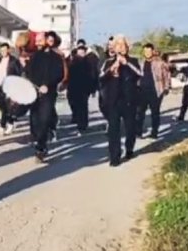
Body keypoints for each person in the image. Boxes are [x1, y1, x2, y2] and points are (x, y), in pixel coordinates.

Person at [100, 34, 142, 166]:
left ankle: (129, 148)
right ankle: (115, 156)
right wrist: (111, 70)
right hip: (113, 101)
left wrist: (126, 64)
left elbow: (140, 75)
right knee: (113, 130)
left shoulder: (134, 61)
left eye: (123, 45)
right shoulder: (108, 62)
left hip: (129, 100)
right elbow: (101, 78)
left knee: (130, 128)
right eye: (118, 45)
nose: (120, 48)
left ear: (127, 48)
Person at [24, 31, 65, 162]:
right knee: (35, 120)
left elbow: (59, 74)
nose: (39, 42)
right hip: (34, 92)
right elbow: (29, 72)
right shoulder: (35, 56)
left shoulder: (56, 57)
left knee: (45, 119)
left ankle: (40, 148)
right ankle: (38, 139)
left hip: (49, 93)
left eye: (42, 40)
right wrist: (35, 84)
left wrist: (47, 84)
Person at [136, 43, 171, 139]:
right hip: (142, 91)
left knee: (155, 113)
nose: (147, 53)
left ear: (153, 51)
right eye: (145, 51)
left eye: (149, 51)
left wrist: (166, 88)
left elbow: (166, 75)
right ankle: (138, 132)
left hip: (155, 91)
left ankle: (154, 132)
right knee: (140, 112)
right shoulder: (141, 63)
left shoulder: (160, 63)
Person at [67, 39, 100, 133]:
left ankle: (82, 124)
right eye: (79, 49)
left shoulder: (90, 60)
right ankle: (76, 117)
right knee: (73, 102)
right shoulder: (72, 60)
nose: (81, 52)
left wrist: (94, 87)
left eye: (83, 50)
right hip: (73, 86)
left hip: (85, 87)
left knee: (83, 105)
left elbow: (94, 74)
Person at [0, 42, 23, 135]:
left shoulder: (14, 61)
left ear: (9, 50)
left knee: (9, 107)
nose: (3, 52)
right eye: (2, 51)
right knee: (2, 107)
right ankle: (5, 123)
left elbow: (19, 74)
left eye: (5, 50)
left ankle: (7, 124)